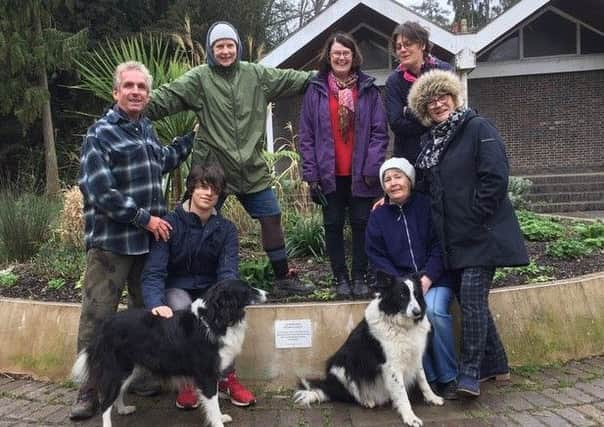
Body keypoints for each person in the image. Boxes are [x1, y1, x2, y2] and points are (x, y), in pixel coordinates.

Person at [146, 21, 315, 297]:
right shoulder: (199, 78)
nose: (225, 51)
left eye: (229, 45)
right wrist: (135, 106)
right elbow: (168, 96)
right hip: (213, 168)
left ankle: (283, 277)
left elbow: (291, 79)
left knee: (271, 215)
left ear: (236, 47)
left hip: (251, 166)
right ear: (212, 51)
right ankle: (186, 278)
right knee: (194, 220)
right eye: (219, 46)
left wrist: (323, 77)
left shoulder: (256, 75)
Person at [70, 61, 193, 420]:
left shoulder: (147, 130)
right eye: (129, 86)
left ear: (148, 94)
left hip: (148, 244)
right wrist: (145, 218)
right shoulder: (100, 133)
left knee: (145, 316)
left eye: (142, 86)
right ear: (116, 92)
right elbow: (99, 190)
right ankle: (90, 391)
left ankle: (138, 378)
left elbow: (164, 159)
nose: (136, 91)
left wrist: (194, 139)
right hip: (112, 243)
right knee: (98, 316)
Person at [407, 69, 529, 397]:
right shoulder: (430, 142)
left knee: (473, 300)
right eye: (429, 101)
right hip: (455, 239)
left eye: (442, 96)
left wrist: (475, 216)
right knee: (470, 299)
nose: (437, 104)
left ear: (454, 97)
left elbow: (496, 178)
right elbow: (431, 191)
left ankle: (470, 373)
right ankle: (498, 365)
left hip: (481, 234)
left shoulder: (477, 127)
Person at [142, 164, 256, 409]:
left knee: (223, 311)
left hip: (210, 291)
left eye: (214, 189)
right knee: (182, 306)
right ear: (191, 188)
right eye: (203, 187)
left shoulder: (225, 229)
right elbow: (154, 272)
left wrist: (222, 300)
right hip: (177, 289)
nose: (208, 193)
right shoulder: (170, 224)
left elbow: (228, 272)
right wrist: (155, 304)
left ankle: (226, 378)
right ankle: (189, 382)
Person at [298, 32, 388, 298]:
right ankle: (340, 279)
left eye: (346, 53)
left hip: (362, 175)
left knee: (362, 225)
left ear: (353, 56)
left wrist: (373, 169)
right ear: (329, 56)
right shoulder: (316, 90)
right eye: (336, 53)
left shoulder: (368, 89)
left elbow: (379, 132)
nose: (341, 57)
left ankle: (360, 276)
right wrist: (311, 175)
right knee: (333, 226)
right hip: (329, 175)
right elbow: (306, 135)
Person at [365, 157, 458, 399]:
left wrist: (426, 278)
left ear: (409, 180)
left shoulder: (426, 206)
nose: (393, 183)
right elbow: (376, 255)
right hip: (402, 287)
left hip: (434, 278)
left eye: (398, 177)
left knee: (434, 313)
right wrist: (402, 286)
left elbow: (440, 245)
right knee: (406, 322)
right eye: (387, 179)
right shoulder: (378, 216)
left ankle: (448, 378)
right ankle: (428, 380)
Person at [385, 21, 452, 164]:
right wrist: (432, 119)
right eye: (398, 47)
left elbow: (452, 112)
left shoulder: (443, 71)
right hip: (410, 158)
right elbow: (396, 123)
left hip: (445, 152)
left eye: (407, 44)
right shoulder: (393, 81)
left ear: (422, 45)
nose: (402, 49)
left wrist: (409, 112)